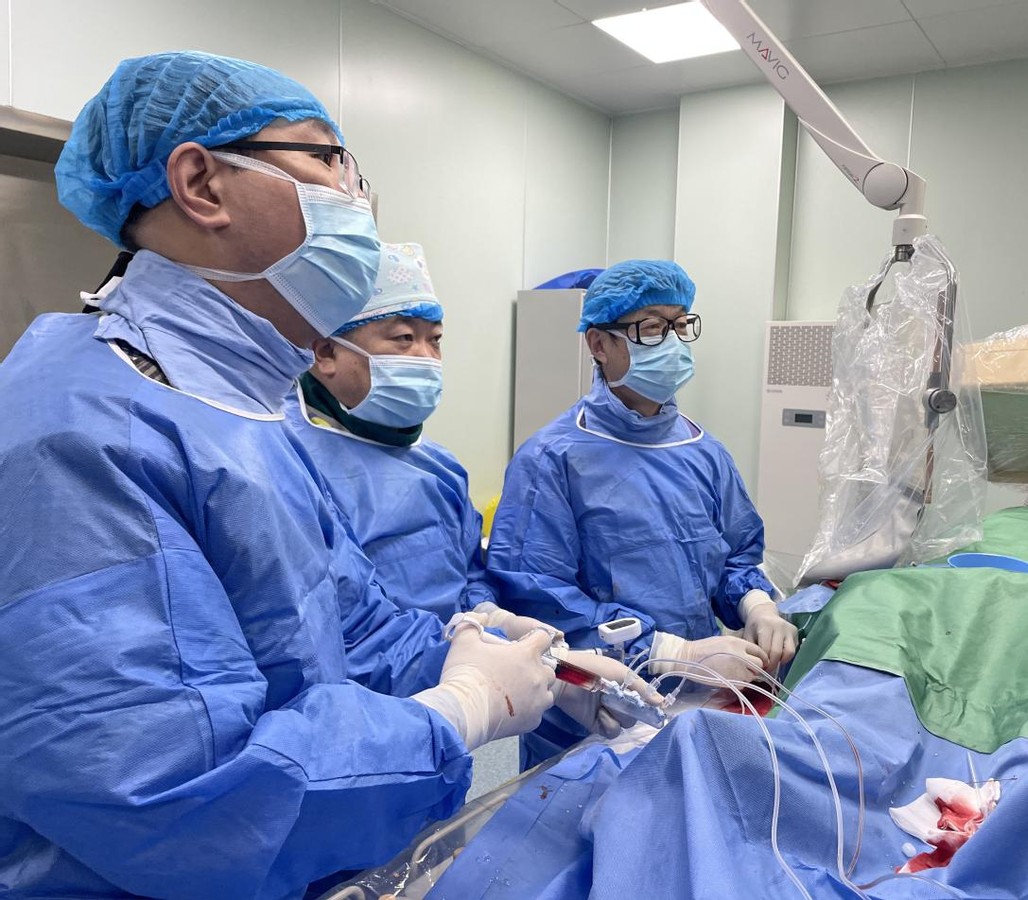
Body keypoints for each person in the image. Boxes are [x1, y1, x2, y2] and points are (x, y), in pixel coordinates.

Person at [0, 51, 628, 899]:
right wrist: (456, 711)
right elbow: (162, 794)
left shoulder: (243, 413)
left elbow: (349, 625)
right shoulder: (78, 432)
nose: (357, 199)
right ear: (202, 183)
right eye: (330, 160)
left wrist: (497, 659)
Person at [487, 259, 799, 768]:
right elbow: (536, 598)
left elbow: (735, 556)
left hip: (702, 697)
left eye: (681, 325)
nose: (672, 342)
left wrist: (758, 606)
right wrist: (669, 652)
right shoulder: (552, 459)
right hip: (596, 710)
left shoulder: (704, 452)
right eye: (652, 328)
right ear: (598, 344)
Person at [284, 242, 533, 635]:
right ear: (326, 352)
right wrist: (450, 659)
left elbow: (469, 576)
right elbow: (326, 626)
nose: (426, 356)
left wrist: (489, 617)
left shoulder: (440, 466)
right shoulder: (288, 460)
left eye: (435, 339)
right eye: (403, 337)